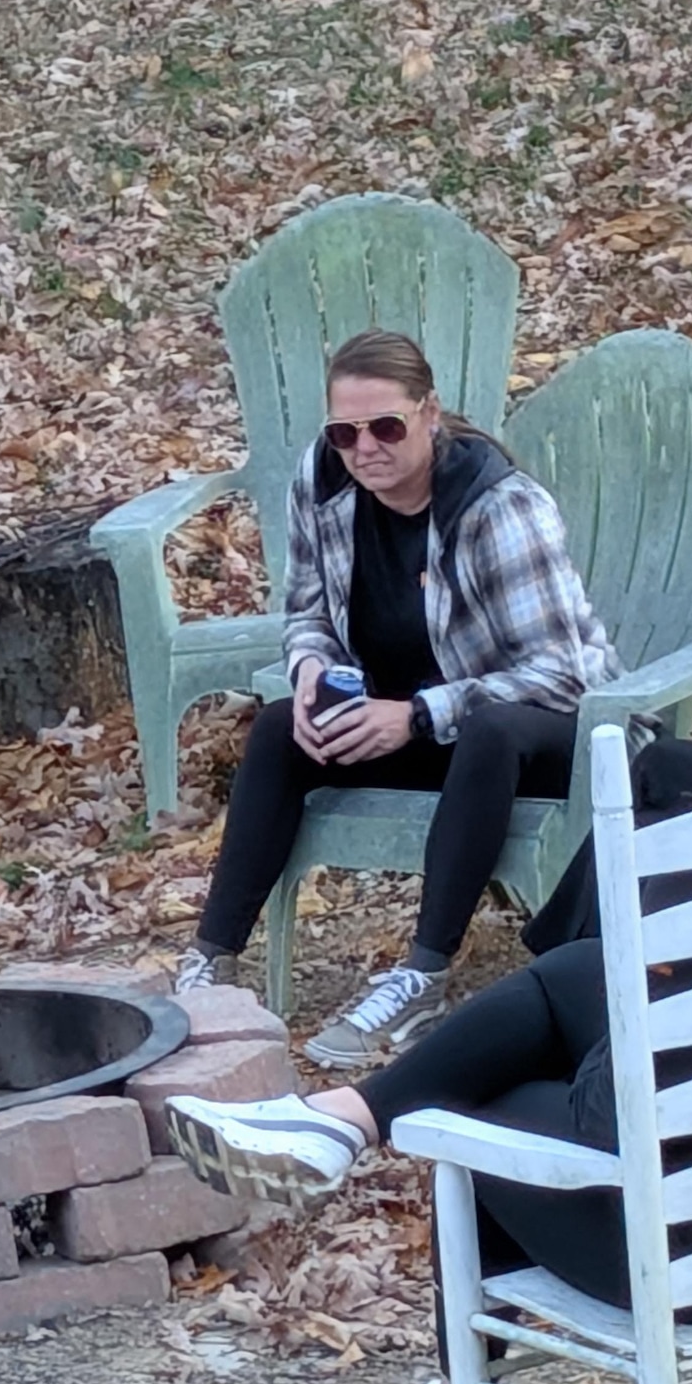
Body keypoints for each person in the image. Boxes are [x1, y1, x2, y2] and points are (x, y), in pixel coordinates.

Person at [163, 583, 692, 1384]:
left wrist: (550, 1060)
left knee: (473, 1114)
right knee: (572, 975)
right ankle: (344, 1117)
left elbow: (608, 1112)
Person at [174, 329, 611, 1067]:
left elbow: (566, 674)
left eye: (386, 426)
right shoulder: (323, 484)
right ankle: (211, 960)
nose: (364, 448)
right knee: (279, 726)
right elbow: (306, 613)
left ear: (429, 413)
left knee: (491, 731)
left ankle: (422, 975)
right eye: (344, 433)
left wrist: (417, 714)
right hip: (415, 729)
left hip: (546, 735)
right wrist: (311, 672)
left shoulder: (498, 508)